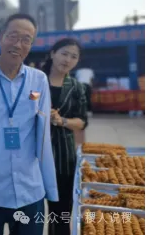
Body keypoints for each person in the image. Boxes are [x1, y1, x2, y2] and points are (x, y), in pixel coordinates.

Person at [0, 13, 58, 235]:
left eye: (26, 39)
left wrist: (50, 189)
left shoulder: (39, 80)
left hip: (30, 191)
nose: (18, 44)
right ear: (1, 37)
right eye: (12, 36)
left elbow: (43, 137)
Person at [42, 38, 87, 235]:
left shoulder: (77, 87)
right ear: (53, 53)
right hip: (33, 155)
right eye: (64, 53)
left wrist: (63, 121)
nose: (67, 59)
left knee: (61, 212)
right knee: (26, 212)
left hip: (63, 156)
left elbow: (82, 121)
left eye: (73, 56)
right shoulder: (34, 79)